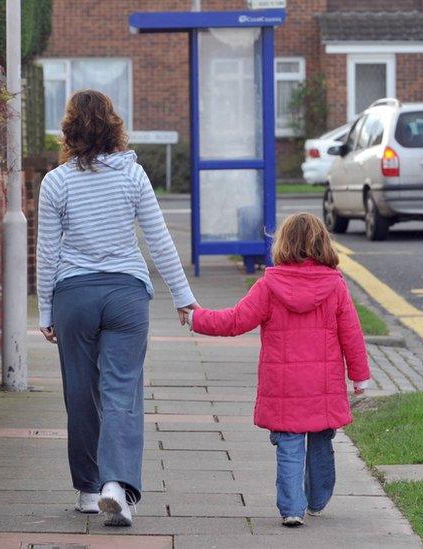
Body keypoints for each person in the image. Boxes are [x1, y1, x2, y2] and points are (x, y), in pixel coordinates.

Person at [36, 90, 197, 527]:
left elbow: (47, 253)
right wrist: (183, 297)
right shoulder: (133, 175)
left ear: (70, 130)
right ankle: (117, 486)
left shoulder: (56, 182)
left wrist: (44, 311)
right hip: (127, 295)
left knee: (80, 392)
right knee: (122, 391)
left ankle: (89, 490)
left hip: (74, 297)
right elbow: (158, 240)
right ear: (113, 126)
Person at [187, 213, 370, 527]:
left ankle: (292, 509)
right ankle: (318, 498)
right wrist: (360, 376)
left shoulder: (270, 286)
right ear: (323, 244)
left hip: (283, 385)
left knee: (288, 442)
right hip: (323, 386)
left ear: (282, 244)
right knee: (321, 439)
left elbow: (235, 321)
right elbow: (351, 334)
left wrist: (195, 318)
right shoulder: (335, 285)